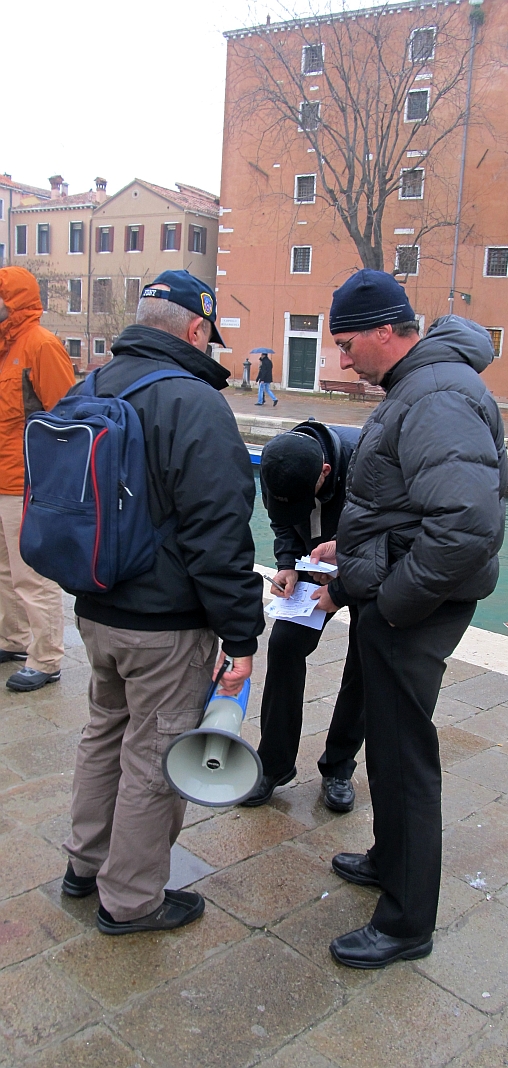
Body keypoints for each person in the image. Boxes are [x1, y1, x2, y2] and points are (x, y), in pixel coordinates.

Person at [61, 270, 265, 935]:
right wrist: (241, 637)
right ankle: (131, 900)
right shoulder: (194, 402)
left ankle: (84, 864)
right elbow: (219, 533)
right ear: (197, 329)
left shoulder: (88, 386)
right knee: (154, 754)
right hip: (165, 627)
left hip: (95, 608)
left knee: (104, 733)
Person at [321, 270, 506, 969]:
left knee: (404, 761)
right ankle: (388, 858)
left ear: (383, 330)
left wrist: (392, 604)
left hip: (413, 608)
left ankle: (405, 923)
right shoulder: (420, 388)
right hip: (400, 595)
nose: (342, 361)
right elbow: (405, 501)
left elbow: (464, 527)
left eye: (346, 344)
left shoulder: (434, 395)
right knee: (391, 750)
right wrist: (349, 549)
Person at [241, 421, 364, 810]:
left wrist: (341, 590)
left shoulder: (369, 461)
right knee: (284, 646)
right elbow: (282, 519)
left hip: (370, 564)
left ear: (325, 472)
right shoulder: (279, 463)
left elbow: (387, 536)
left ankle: (339, 766)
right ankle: (274, 764)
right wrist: (287, 564)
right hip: (313, 562)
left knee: (365, 660)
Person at [0, 267, 75, 693]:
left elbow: (67, 418)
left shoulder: (41, 345)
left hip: (26, 483)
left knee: (31, 573)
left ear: (12, 300)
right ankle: (12, 639)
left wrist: (55, 483)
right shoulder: (2, 347)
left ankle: (46, 658)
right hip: (1, 480)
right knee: (2, 570)